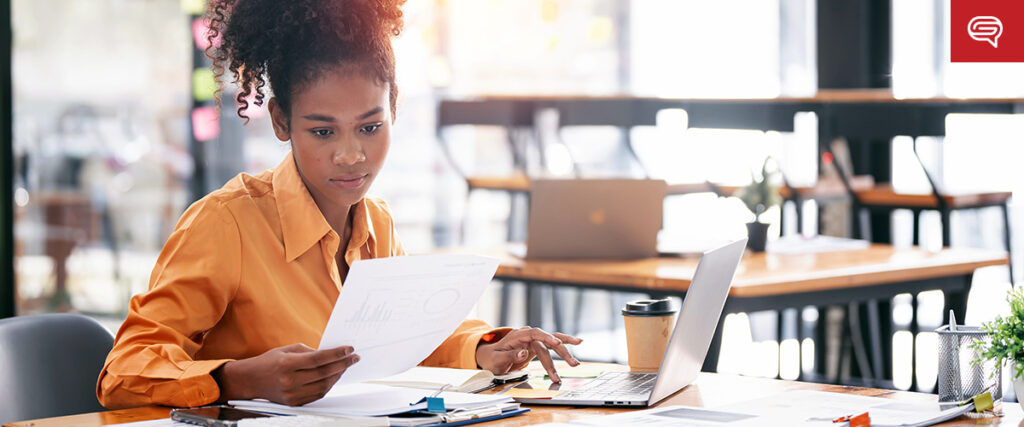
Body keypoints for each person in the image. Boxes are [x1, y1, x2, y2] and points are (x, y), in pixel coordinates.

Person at [96, 0, 581, 409]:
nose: (351, 156)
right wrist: (235, 379)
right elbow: (123, 371)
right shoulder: (227, 223)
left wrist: (488, 347)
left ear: (394, 108)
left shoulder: (376, 224)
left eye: (370, 127)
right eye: (323, 131)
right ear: (282, 121)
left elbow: (411, 339)